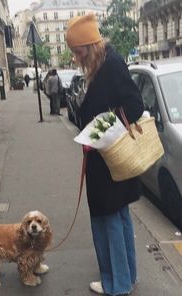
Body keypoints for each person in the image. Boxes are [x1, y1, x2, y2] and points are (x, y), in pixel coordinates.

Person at [66, 13, 144, 296]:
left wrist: (98, 130)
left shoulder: (110, 64)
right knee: (117, 219)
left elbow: (135, 105)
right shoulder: (104, 62)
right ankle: (127, 278)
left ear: (90, 44)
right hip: (106, 159)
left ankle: (117, 285)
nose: (76, 58)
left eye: (78, 51)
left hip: (108, 157)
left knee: (108, 221)